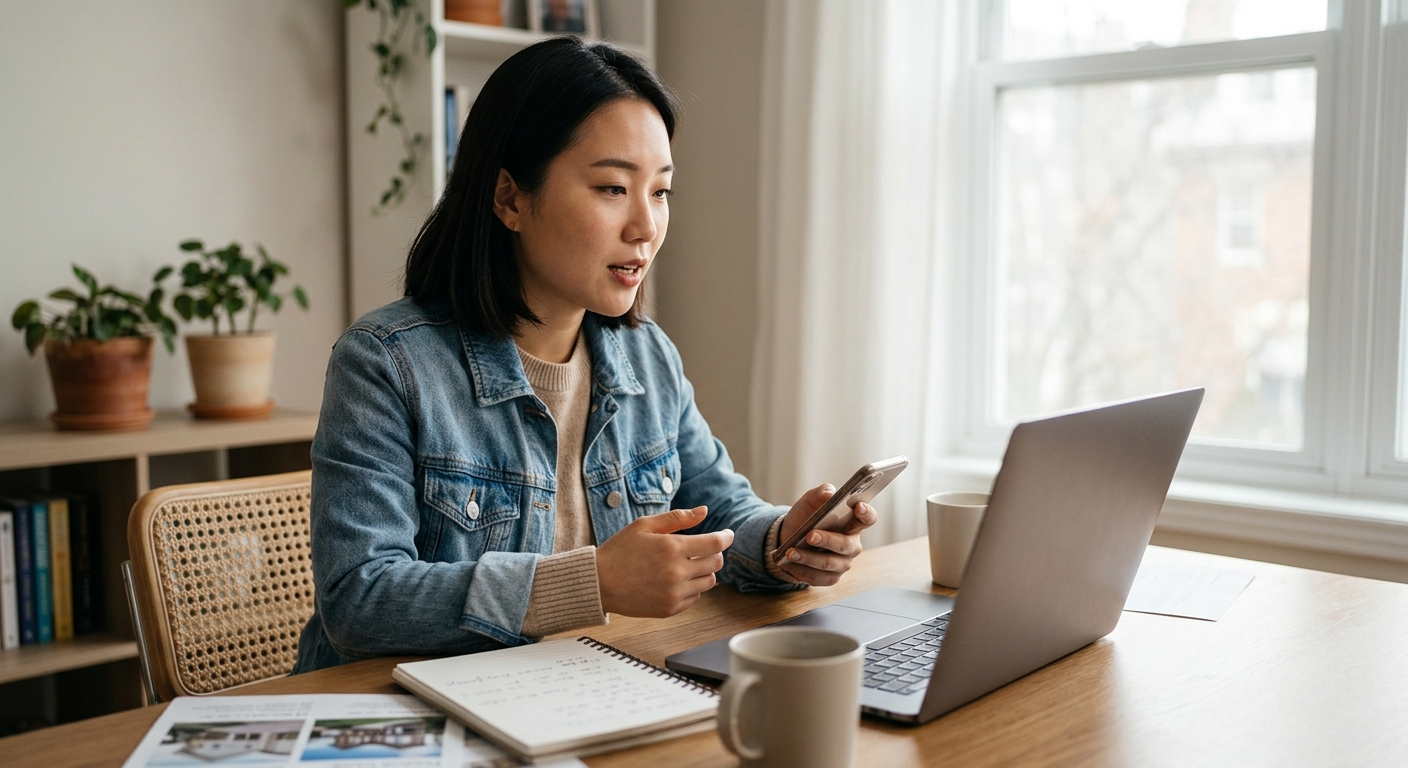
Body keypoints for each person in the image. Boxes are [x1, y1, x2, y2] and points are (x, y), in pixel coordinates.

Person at [293, 37, 876, 673]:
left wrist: (784, 542)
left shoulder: (646, 357)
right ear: (510, 198)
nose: (646, 227)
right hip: (403, 715)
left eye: (659, 192)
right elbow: (360, 600)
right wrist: (588, 582)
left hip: (578, 690)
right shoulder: (385, 364)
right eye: (611, 188)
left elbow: (720, 511)